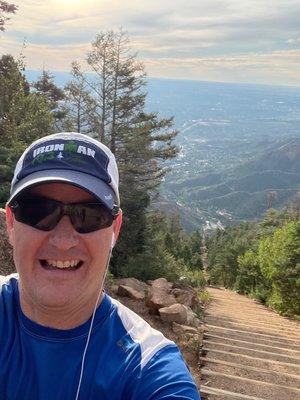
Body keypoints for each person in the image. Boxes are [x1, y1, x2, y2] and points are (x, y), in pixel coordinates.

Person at [0, 132, 201, 400]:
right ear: (11, 224)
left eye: (90, 215)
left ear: (114, 230)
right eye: (39, 210)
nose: (63, 241)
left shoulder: (148, 370)